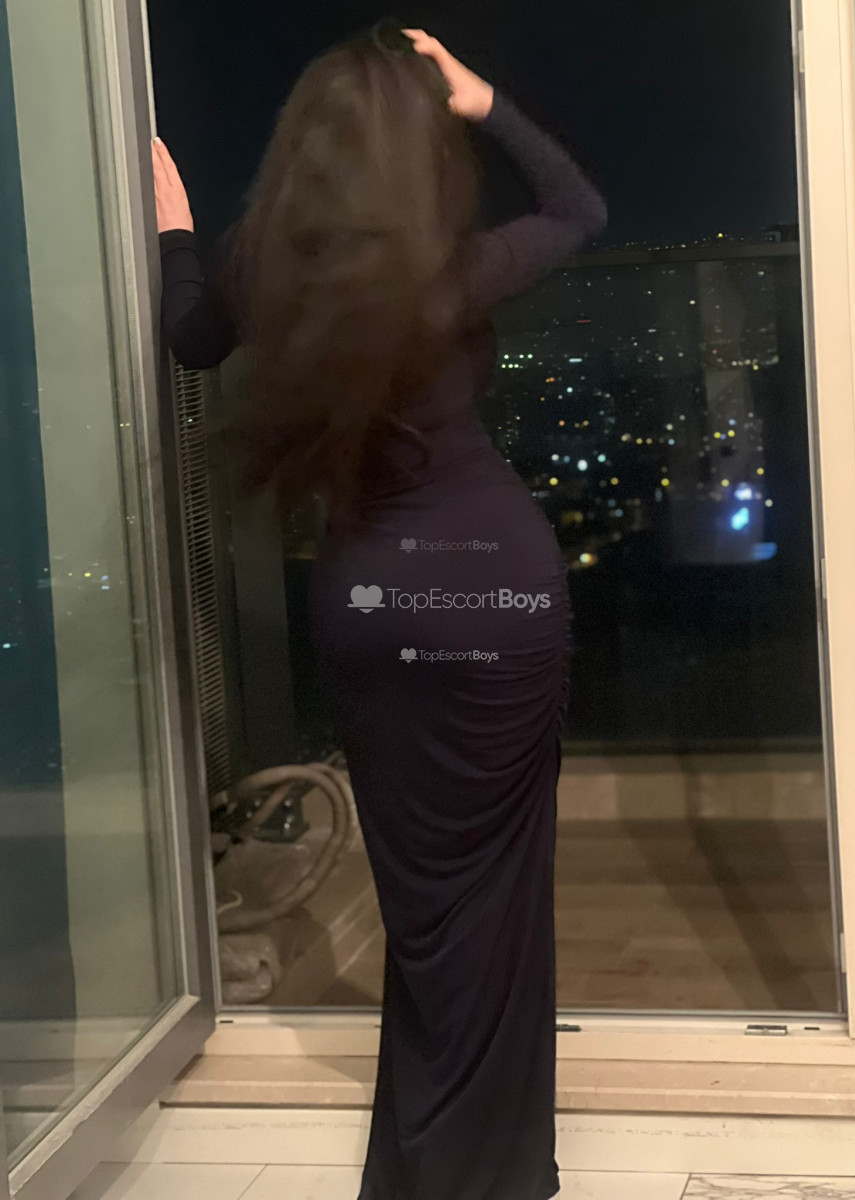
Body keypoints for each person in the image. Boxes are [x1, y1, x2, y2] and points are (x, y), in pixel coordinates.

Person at [153, 25, 606, 1200]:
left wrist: (172, 230)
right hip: (499, 595)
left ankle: (428, 1166)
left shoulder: (261, 269)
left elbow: (188, 336)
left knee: (424, 910)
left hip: (370, 605)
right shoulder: (447, 270)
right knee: (498, 901)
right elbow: (577, 208)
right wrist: (484, 99)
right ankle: (493, 1169)